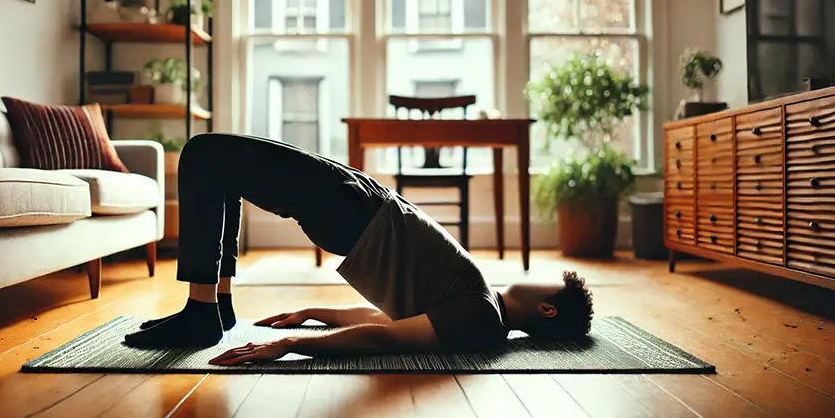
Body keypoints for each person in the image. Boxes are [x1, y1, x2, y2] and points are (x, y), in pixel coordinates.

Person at [123, 133, 594, 364]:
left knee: (204, 155)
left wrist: (289, 345)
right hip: (360, 205)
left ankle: (202, 311)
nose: (539, 276)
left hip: (355, 212)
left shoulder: (483, 320)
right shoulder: (480, 307)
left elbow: (384, 340)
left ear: (547, 310)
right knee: (218, 167)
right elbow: (389, 319)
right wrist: (314, 312)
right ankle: (217, 306)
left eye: (548, 283)